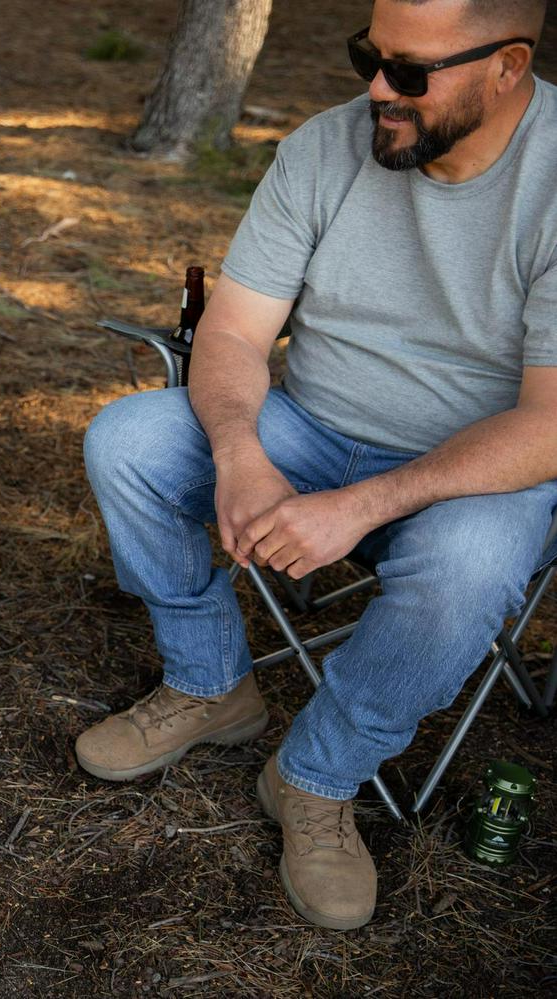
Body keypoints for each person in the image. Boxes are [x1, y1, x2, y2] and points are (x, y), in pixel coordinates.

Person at [77, 0, 555, 931]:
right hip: (311, 422)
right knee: (128, 440)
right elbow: (234, 331)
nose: (379, 89)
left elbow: (547, 423)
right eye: (369, 58)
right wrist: (240, 450)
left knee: (467, 568)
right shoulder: (324, 146)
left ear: (508, 65)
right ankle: (211, 683)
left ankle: (317, 775)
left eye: (410, 72)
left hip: (474, 468)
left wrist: (362, 504)